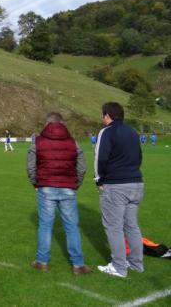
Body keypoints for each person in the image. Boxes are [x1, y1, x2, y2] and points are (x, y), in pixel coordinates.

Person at [26, 112, 90, 275]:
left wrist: (36, 183)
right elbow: (82, 166)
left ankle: (42, 262)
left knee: (45, 226)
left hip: (46, 187)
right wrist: (76, 184)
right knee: (72, 227)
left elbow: (30, 166)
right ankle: (78, 265)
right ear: (61, 123)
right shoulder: (72, 142)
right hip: (68, 188)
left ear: (47, 123)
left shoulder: (38, 142)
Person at [95, 102, 144, 278]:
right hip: (136, 183)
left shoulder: (107, 132)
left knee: (113, 226)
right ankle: (136, 263)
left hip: (116, 185)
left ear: (107, 115)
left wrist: (99, 180)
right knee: (132, 225)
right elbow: (139, 156)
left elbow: (100, 158)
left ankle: (119, 267)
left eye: (103, 115)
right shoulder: (132, 131)